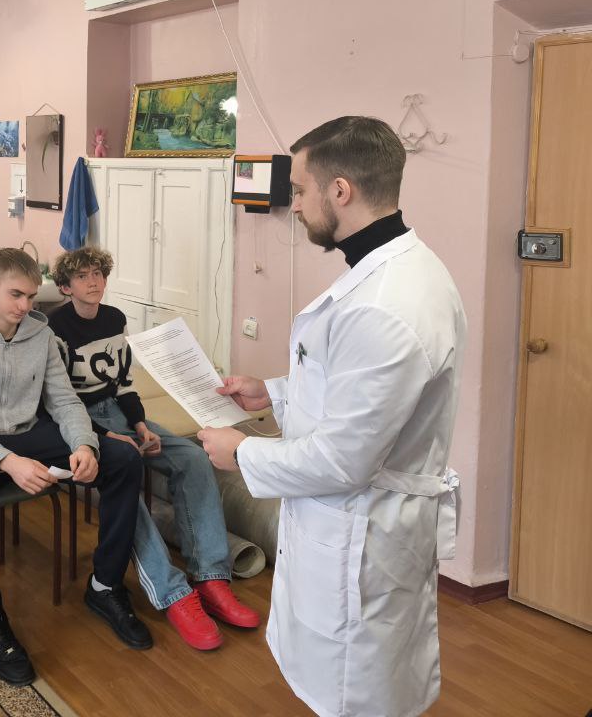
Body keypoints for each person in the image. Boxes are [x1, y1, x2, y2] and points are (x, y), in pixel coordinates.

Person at [198, 116, 466, 717]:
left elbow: (345, 458)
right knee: (348, 686)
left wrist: (240, 452)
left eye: (298, 190)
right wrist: (272, 394)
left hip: (362, 535)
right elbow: (346, 391)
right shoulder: (387, 272)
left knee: (357, 694)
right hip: (351, 523)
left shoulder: (385, 306)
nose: (293, 205)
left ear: (339, 190)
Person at [0, 248, 151, 686]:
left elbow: (65, 401)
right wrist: (8, 461)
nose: (25, 306)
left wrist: (84, 445)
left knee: (124, 459)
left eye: (32, 296)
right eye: (15, 295)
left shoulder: (41, 334)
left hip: (29, 432)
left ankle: (105, 586)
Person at [49, 245, 260, 650]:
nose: (94, 282)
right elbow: (58, 399)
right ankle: (172, 592)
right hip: (79, 423)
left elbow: (124, 384)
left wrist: (141, 425)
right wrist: (105, 435)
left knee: (193, 458)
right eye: (83, 276)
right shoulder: (55, 328)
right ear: (66, 286)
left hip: (118, 413)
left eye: (99, 274)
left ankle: (212, 577)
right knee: (125, 476)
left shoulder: (114, 318)